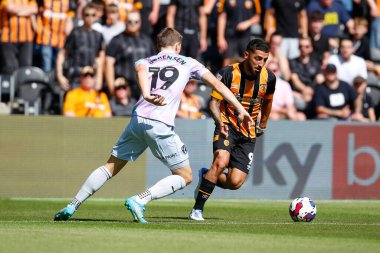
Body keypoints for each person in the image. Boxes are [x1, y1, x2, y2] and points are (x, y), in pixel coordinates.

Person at [54, 27, 253, 223]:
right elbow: (218, 85)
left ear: (158, 45)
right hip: (160, 124)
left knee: (110, 166)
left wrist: (147, 94)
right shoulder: (189, 62)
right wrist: (239, 108)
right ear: (177, 46)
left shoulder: (146, 60)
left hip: (137, 119)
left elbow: (140, 71)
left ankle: (72, 205)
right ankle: (140, 200)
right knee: (185, 176)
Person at [189, 38, 276, 221]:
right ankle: (197, 210)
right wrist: (219, 122)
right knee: (221, 161)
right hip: (227, 126)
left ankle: (206, 175)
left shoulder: (269, 78)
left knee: (235, 182)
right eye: (258, 58)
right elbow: (213, 103)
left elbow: (267, 102)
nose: (261, 64)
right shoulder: (228, 73)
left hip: (248, 133)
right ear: (247, 55)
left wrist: (263, 124)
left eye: (265, 60)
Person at [105, 9, 155, 97]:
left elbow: (154, 64)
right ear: (125, 22)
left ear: (140, 22)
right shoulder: (116, 40)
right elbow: (108, 65)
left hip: (144, 88)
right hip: (123, 89)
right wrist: (112, 90)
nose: (132, 24)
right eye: (130, 21)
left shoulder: (147, 40)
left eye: (136, 21)